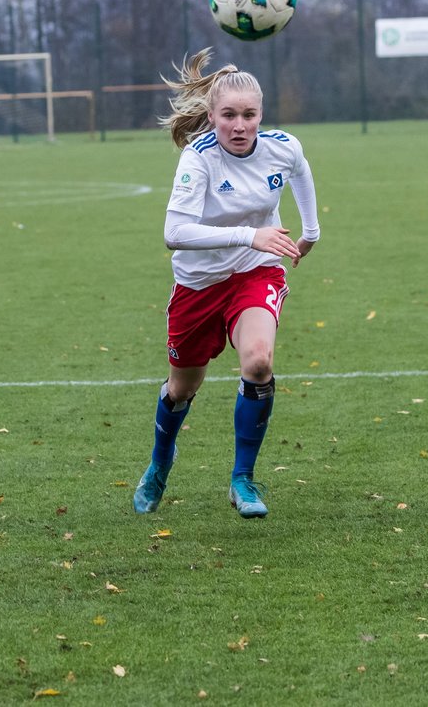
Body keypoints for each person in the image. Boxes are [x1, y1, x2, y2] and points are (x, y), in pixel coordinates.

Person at [133, 48, 320, 519]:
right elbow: (174, 234)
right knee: (181, 389)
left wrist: (310, 230)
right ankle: (159, 464)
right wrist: (250, 232)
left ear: (261, 114)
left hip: (256, 272)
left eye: (249, 115)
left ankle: (242, 479)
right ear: (211, 117)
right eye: (229, 116)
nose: (240, 126)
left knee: (258, 362)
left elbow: (300, 171)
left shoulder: (282, 145)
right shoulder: (199, 159)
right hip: (198, 285)